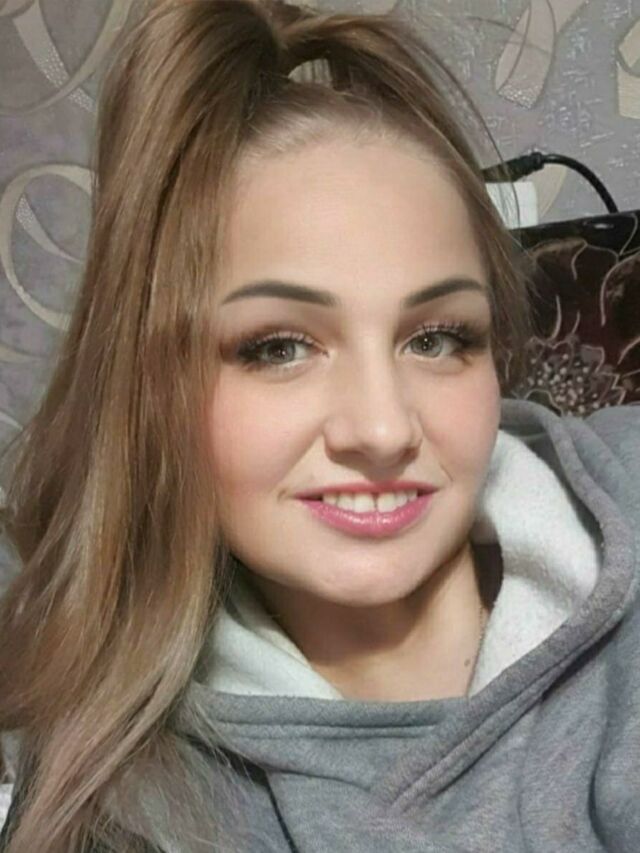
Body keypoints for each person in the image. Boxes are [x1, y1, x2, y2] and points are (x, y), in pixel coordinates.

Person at [0, 0, 639, 850]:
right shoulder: (121, 802)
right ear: (153, 390)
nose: (382, 428)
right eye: (278, 347)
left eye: (437, 337)